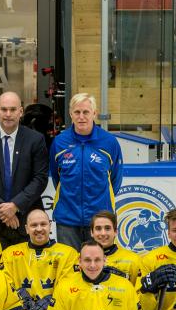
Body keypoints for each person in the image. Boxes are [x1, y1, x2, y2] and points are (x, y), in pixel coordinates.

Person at [0, 91, 49, 248]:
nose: (8, 114)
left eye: (13, 110)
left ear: (20, 112)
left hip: (27, 221)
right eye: (4, 109)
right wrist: (3, 210)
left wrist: (15, 206)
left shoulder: (36, 140)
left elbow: (40, 179)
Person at [49, 93, 123, 251]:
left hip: (99, 221)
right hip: (67, 219)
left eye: (86, 112)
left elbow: (115, 179)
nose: (81, 117)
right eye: (77, 112)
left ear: (94, 113)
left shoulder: (109, 142)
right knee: (69, 268)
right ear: (70, 114)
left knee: (98, 267)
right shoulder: (59, 142)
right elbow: (57, 178)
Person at [1, 209, 78, 310]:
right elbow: (5, 283)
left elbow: (69, 285)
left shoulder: (68, 253)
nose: (39, 229)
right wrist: (25, 301)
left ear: (50, 226)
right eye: (34, 225)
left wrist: (49, 301)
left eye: (43, 224)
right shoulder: (10, 253)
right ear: (26, 229)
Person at [90, 211, 144, 286]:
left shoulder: (133, 259)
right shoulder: (81, 259)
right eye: (98, 229)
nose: (103, 233)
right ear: (92, 232)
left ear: (115, 232)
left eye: (107, 228)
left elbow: (139, 294)